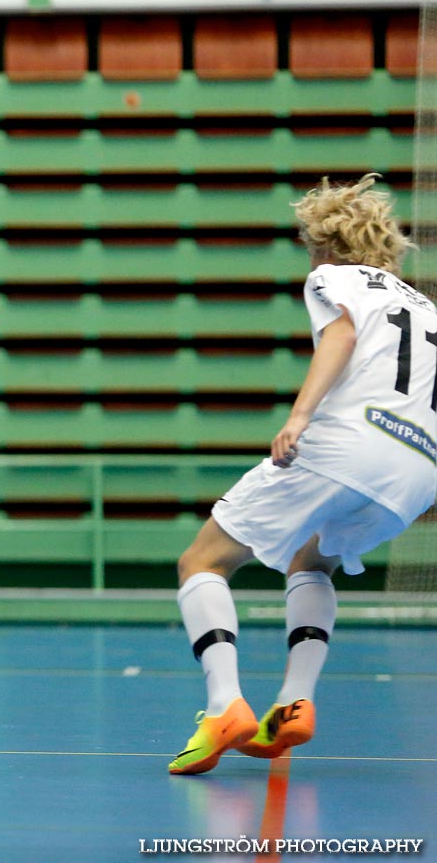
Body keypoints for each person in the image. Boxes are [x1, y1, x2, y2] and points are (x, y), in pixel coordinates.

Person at [167, 174, 437, 776]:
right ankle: (294, 700)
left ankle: (222, 708)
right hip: (417, 466)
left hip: (347, 444)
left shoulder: (330, 278)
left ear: (321, 243)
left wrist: (299, 415)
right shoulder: (424, 308)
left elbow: (338, 337)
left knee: (202, 561)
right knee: (311, 562)